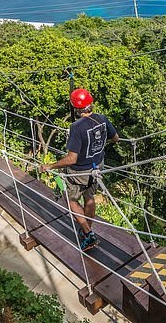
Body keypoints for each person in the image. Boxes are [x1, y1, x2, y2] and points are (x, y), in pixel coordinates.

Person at [41, 89, 119, 251]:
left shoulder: (76, 127)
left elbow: (71, 159)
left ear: (76, 108)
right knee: (89, 197)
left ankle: (88, 233)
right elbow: (115, 139)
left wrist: (50, 166)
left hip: (79, 172)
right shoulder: (102, 119)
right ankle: (87, 230)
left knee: (72, 201)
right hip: (97, 167)